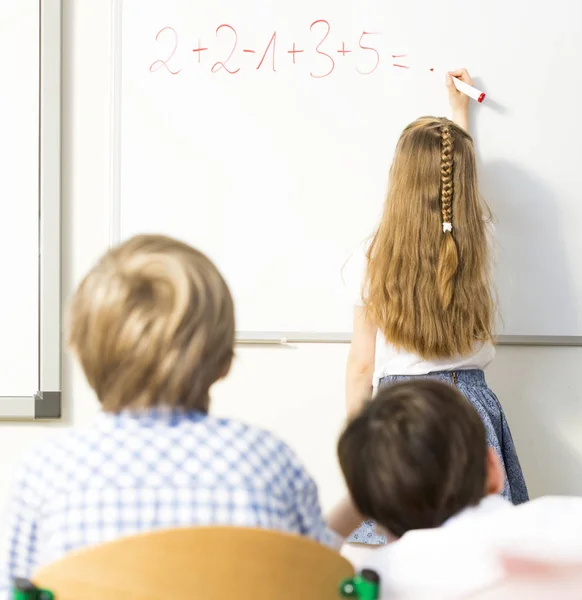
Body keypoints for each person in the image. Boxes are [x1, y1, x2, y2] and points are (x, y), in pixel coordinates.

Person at [0, 234, 342, 596]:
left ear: (80, 352)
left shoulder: (44, 474)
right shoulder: (270, 463)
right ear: (224, 361)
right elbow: (322, 583)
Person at [344, 70, 527, 543]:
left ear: (399, 182)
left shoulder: (378, 260)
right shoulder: (477, 245)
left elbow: (362, 365)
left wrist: (356, 442)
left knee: (399, 544)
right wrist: (459, 116)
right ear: (464, 187)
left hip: (401, 412)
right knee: (478, 546)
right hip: (470, 408)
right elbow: (458, 193)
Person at [337, 380, 582, 598]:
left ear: (372, 515)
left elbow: (299, 566)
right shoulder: (579, 520)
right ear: (494, 469)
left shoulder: (378, 579)